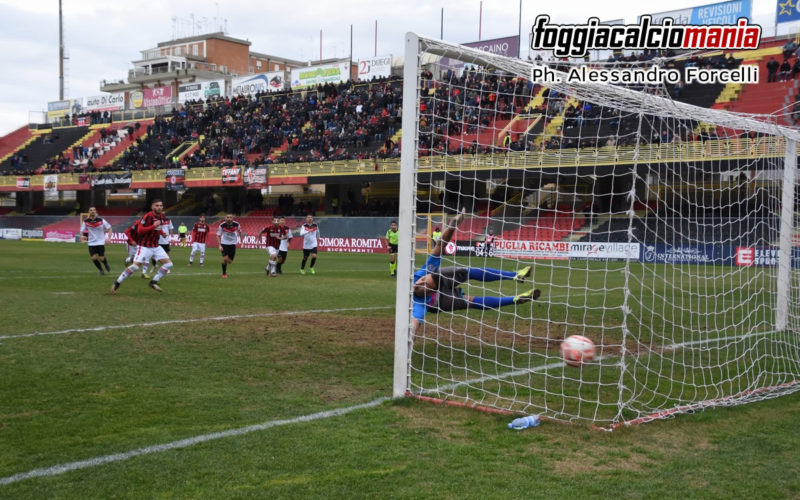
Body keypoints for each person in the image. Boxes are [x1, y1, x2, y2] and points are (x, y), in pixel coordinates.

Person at [410, 209, 540, 333]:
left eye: (424, 281)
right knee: (470, 301)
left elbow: (441, 244)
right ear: (431, 292)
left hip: (437, 279)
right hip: (437, 302)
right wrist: (411, 332)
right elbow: (415, 322)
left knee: (467, 271)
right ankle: (515, 299)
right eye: (424, 284)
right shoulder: (420, 305)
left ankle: (516, 275)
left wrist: (453, 225)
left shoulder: (427, 272)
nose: (420, 283)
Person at [111, 199, 173, 293]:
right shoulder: (147, 216)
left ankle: (153, 282)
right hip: (145, 246)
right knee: (135, 267)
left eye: (161, 205)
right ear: (152, 207)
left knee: (169, 264)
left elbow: (157, 228)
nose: (159, 207)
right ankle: (117, 283)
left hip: (156, 246)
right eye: (157, 205)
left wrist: (162, 233)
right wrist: (153, 226)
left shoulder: (161, 217)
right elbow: (140, 230)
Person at [80, 206, 112, 275]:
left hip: (100, 241)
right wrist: (82, 236)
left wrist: (109, 238)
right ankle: (101, 270)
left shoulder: (101, 220)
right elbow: (81, 231)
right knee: (93, 258)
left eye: (94, 210)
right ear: (89, 212)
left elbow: (109, 228)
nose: (92, 211)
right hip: (91, 242)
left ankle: (105, 263)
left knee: (101, 258)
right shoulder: (86, 221)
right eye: (91, 210)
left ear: (96, 211)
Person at [217, 213, 244, 278]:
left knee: (230, 261)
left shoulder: (237, 224)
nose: (229, 219)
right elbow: (218, 235)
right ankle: (224, 273)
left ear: (233, 218)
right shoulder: (222, 225)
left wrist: (242, 242)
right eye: (228, 217)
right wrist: (219, 245)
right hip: (224, 243)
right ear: (225, 218)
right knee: (225, 259)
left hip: (233, 244)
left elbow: (240, 232)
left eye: (230, 217)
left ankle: (224, 263)